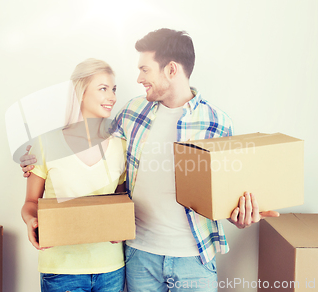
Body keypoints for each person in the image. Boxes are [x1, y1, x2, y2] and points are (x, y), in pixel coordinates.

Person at [21, 29, 279, 292]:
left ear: (170, 69)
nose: (139, 78)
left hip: (194, 258)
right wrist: (34, 155)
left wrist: (240, 215)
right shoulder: (132, 112)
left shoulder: (218, 122)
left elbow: (227, 192)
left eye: (145, 70)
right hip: (138, 256)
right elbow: (87, 137)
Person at [21, 58, 127, 292]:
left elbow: (121, 202)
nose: (112, 97)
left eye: (114, 89)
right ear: (80, 92)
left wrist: (121, 226)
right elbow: (30, 203)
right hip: (61, 270)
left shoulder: (120, 147)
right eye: (103, 88)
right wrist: (31, 221)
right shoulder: (46, 143)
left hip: (110, 269)